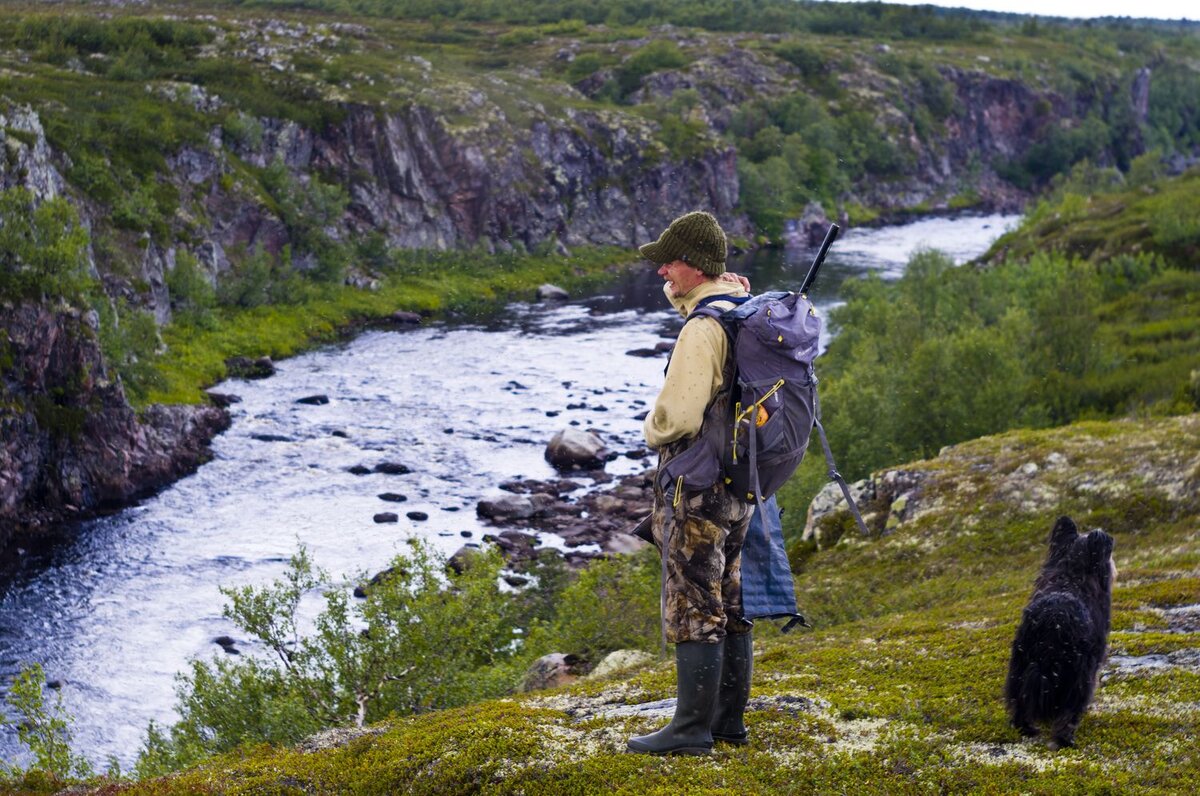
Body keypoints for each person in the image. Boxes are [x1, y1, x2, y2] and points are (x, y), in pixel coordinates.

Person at [626, 210, 756, 756]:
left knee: (692, 601)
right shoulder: (742, 308)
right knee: (729, 597)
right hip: (741, 482)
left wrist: (649, 429)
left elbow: (678, 416)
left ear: (695, 265)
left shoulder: (702, 329)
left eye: (668, 262)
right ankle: (727, 722)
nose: (662, 272)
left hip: (697, 488)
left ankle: (690, 731)